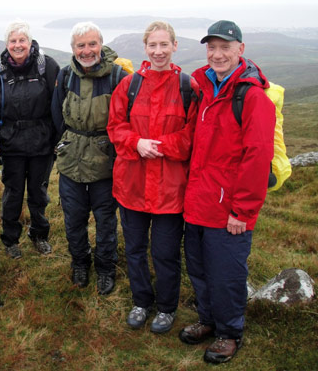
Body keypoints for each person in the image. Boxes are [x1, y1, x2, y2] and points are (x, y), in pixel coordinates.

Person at [179, 20, 275, 364]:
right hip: (198, 202)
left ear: (240, 51)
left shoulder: (251, 98)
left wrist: (243, 212)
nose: (217, 54)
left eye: (225, 48)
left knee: (227, 273)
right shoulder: (203, 87)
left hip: (228, 211)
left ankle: (230, 332)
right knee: (200, 268)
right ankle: (208, 320)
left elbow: (257, 158)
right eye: (212, 48)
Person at [107, 21, 199, 333]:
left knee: (165, 253)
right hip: (131, 186)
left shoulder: (188, 87)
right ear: (145, 48)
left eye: (164, 45)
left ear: (175, 46)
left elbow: (191, 138)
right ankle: (141, 301)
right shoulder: (129, 85)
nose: (158, 51)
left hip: (170, 191)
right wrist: (136, 142)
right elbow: (115, 127)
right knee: (134, 249)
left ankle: (167, 307)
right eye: (153, 45)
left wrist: (158, 147)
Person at [51, 22, 128, 295]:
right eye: (81, 45)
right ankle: (80, 263)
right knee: (74, 219)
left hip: (106, 163)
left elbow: (126, 120)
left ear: (101, 45)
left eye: (92, 44)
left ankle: (106, 268)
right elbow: (57, 116)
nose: (87, 50)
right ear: (73, 49)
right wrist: (69, 142)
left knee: (106, 220)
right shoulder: (65, 76)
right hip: (71, 161)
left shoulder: (117, 76)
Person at [0, 20, 60, 259]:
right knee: (13, 193)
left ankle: (39, 235)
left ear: (30, 42)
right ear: (7, 44)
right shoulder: (0, 72)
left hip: (42, 143)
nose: (18, 45)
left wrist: (58, 139)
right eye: (13, 41)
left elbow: (59, 105)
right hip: (12, 144)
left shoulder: (47, 66)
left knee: (38, 192)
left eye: (22, 40)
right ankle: (10, 239)